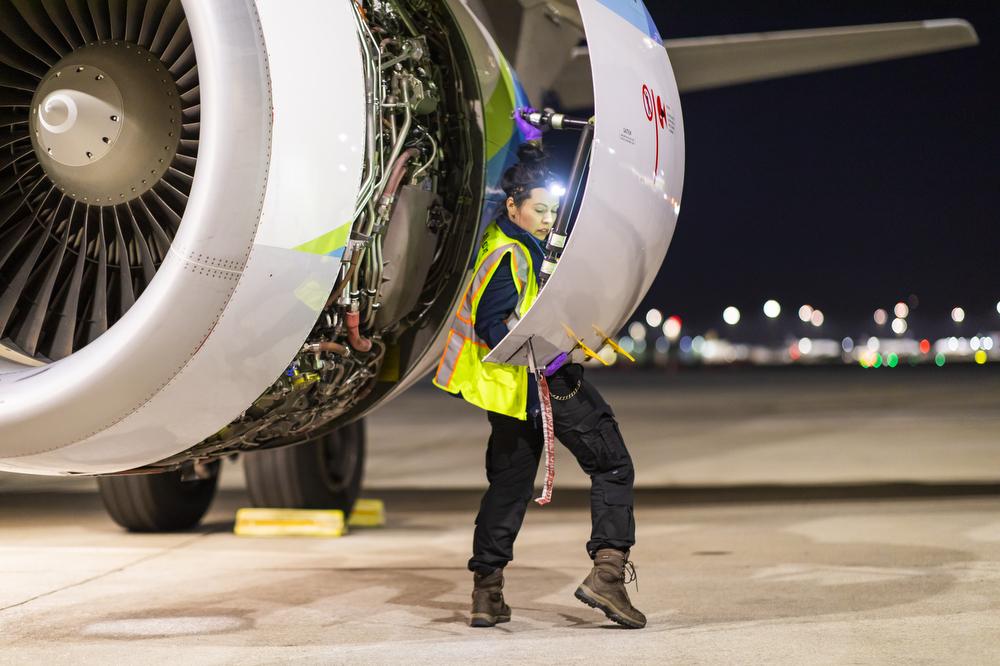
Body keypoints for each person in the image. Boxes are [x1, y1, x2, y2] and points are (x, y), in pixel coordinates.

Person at [432, 126, 646, 629]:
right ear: (513, 207)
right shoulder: (511, 254)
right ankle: (607, 575)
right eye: (539, 210)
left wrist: (532, 146)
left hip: (510, 395)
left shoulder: (509, 240)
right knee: (613, 466)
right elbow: (492, 323)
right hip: (541, 381)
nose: (549, 220)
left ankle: (487, 593)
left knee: (508, 487)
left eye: (553, 211)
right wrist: (548, 351)